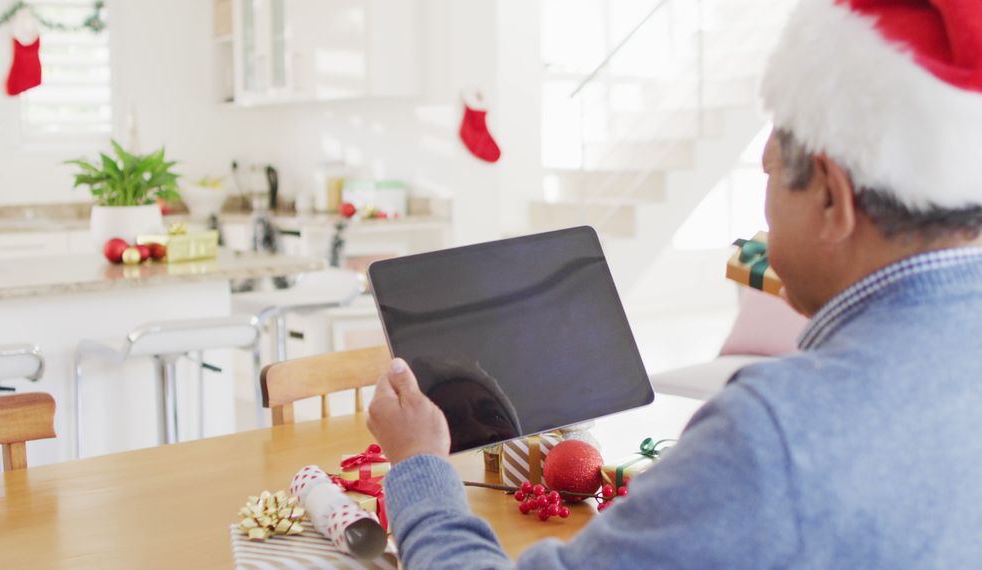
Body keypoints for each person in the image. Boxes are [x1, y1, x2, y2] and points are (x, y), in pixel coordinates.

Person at [366, 0, 982, 567]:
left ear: (830, 196)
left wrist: (420, 467)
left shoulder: (775, 432)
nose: (763, 216)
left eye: (767, 177)